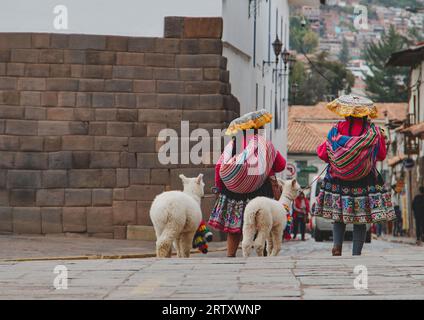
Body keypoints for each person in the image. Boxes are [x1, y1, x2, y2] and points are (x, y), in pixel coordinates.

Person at [313, 95, 396, 256]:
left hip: (338, 180)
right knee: (361, 218)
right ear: (366, 113)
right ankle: (356, 252)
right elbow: (381, 155)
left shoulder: (336, 130)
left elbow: (323, 154)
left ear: (346, 112)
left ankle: (337, 246)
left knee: (339, 216)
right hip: (364, 181)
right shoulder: (373, 132)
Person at [208, 110, 286, 257]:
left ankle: (230, 256)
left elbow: (219, 167)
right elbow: (281, 165)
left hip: (232, 193)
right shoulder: (265, 144)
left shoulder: (233, 144)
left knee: (234, 229)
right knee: (261, 227)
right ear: (258, 128)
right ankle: (260, 257)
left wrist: (220, 187)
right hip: (258, 193)